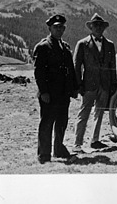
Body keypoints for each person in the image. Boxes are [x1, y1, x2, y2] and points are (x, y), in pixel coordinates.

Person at [32, 13, 78, 164]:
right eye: (56, 27)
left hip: (63, 94)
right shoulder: (43, 47)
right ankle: (44, 155)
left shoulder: (65, 47)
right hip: (49, 94)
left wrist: (73, 88)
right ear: (50, 28)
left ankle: (58, 149)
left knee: (62, 123)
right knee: (47, 123)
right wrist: (44, 91)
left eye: (61, 27)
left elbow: (70, 70)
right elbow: (39, 72)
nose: (59, 30)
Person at [73, 13, 117, 151]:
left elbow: (112, 66)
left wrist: (113, 83)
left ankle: (95, 140)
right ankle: (77, 143)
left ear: (103, 28)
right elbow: (77, 66)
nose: (98, 28)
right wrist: (78, 84)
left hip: (104, 85)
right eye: (95, 26)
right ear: (91, 27)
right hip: (88, 85)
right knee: (84, 113)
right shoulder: (82, 44)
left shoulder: (109, 45)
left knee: (100, 113)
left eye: (100, 26)